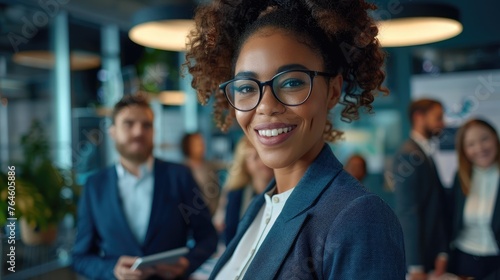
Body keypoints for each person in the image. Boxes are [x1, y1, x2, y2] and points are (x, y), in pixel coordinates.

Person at [184, 0, 405, 278]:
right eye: (246, 87)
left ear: (333, 91)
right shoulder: (259, 207)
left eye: (291, 82)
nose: (265, 106)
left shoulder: (360, 217)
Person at [72, 94, 218, 280]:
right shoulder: (95, 186)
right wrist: (112, 270)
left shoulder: (178, 176)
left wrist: (187, 263)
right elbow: (80, 257)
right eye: (128, 124)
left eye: (146, 125)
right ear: (112, 131)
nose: (138, 132)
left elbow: (208, 237)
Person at [392, 99, 448, 280]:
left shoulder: (422, 151)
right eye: (438, 118)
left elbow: (436, 205)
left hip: (431, 256)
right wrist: (414, 265)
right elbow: (408, 211)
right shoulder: (408, 153)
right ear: (419, 117)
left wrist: (441, 252)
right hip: (420, 262)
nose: (443, 123)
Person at [448, 119, 500, 279]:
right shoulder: (461, 177)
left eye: (485, 139)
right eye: (470, 144)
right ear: (463, 150)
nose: (479, 148)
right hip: (464, 260)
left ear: (495, 138)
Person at [221, 136, 274, 245]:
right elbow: (230, 236)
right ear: (245, 164)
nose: (263, 162)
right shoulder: (236, 194)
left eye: (265, 154)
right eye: (255, 157)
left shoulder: (286, 192)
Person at [181, 132, 220, 216]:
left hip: (210, 215)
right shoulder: (181, 170)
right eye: (197, 144)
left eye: (202, 143)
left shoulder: (210, 167)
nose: (201, 147)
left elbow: (216, 194)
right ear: (188, 146)